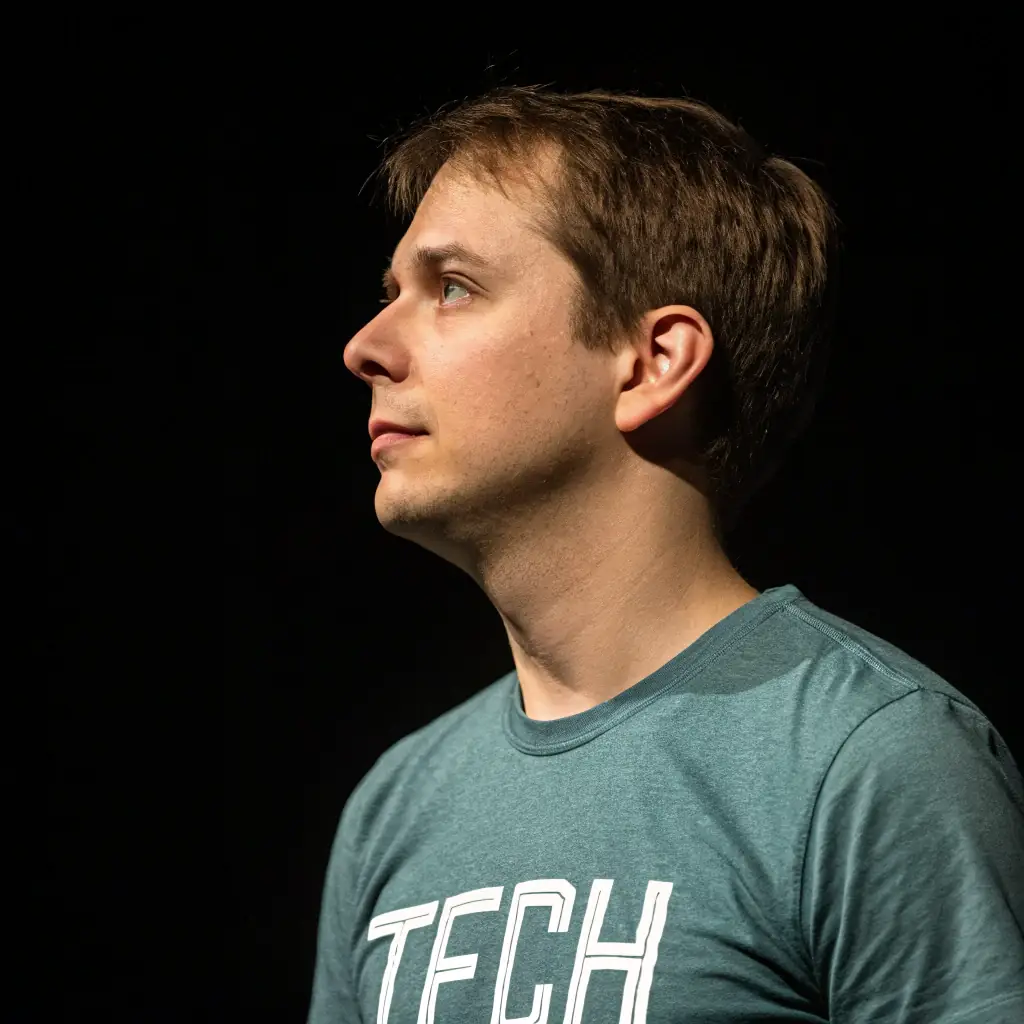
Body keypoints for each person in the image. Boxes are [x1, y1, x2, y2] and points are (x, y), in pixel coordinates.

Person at [308, 86, 1023, 1022]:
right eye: (389, 294)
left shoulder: (870, 761)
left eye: (452, 288)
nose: (365, 347)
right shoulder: (395, 807)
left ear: (654, 363)